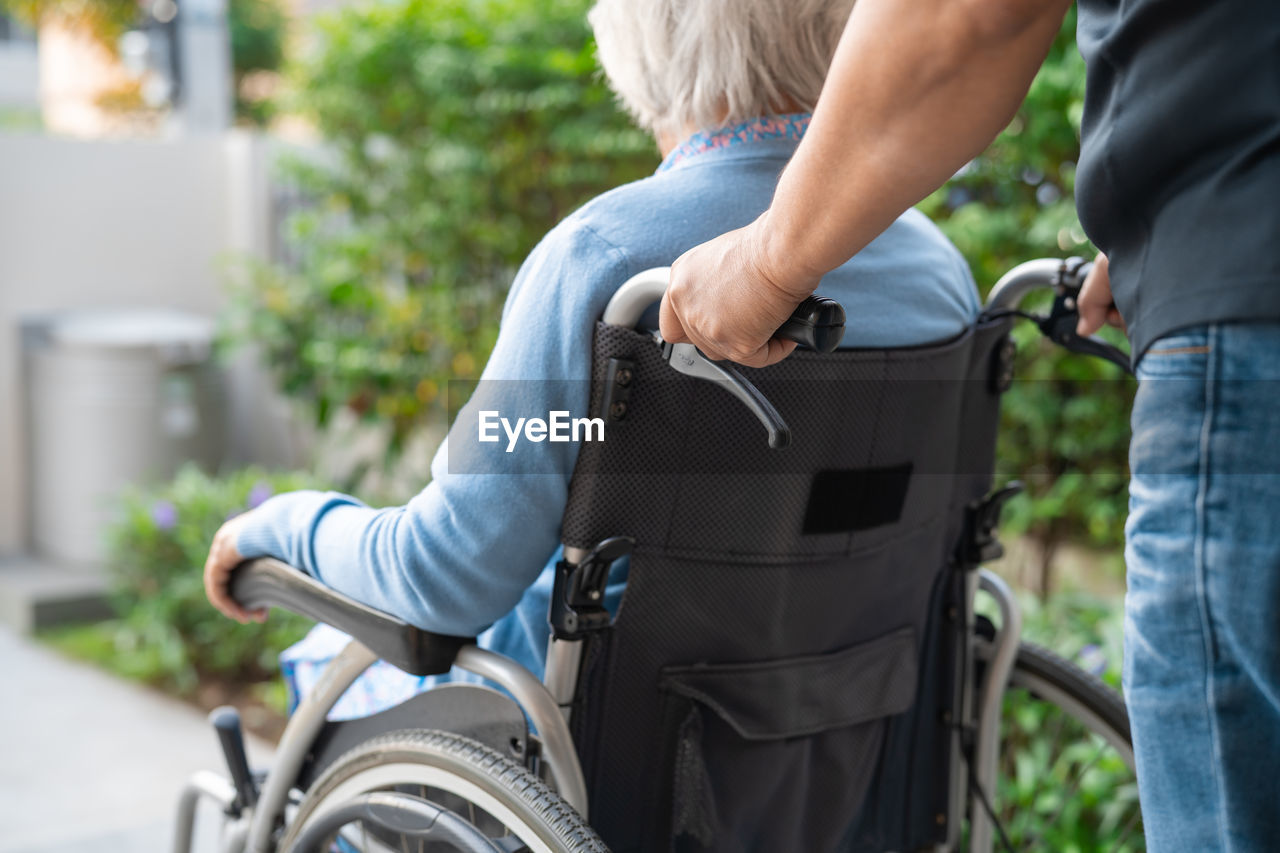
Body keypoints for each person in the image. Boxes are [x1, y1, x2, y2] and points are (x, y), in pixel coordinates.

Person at [203, 0, 981, 719]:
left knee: (325, 674)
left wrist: (280, 523)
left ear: (642, 44)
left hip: (593, 741)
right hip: (842, 733)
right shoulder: (939, 273)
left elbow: (444, 576)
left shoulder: (607, 258)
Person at [661, 0, 1280, 850]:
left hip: (1246, 300)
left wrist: (771, 259)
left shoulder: (612, 261)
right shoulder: (938, 279)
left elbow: (966, 13)